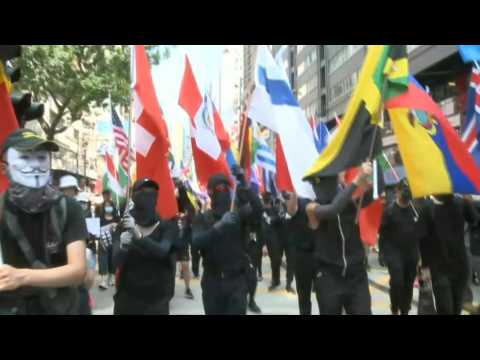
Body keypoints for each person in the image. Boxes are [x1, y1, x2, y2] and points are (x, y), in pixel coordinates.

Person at [0, 129, 87, 315]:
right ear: (3, 168)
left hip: (61, 308)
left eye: (41, 158)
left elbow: (78, 270)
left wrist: (22, 276)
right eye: (24, 158)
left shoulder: (68, 207)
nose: (35, 165)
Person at [301, 161, 374, 315]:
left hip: (356, 274)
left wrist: (368, 182)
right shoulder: (311, 208)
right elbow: (333, 209)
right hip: (329, 277)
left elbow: (368, 199)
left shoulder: (350, 200)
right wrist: (355, 182)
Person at [191, 173, 262, 315]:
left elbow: (258, 210)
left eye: (226, 188)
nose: (223, 192)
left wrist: (246, 186)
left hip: (236, 281)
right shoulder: (203, 218)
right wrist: (219, 227)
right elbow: (196, 242)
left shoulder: (239, 216)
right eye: (219, 188)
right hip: (213, 282)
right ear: (210, 192)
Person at [113, 178, 179, 315]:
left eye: (152, 192)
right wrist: (123, 247)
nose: (148, 195)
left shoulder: (166, 226)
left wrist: (137, 234)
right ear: (134, 196)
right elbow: (115, 261)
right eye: (143, 191)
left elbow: (162, 251)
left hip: (156, 301)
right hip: (127, 299)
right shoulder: (123, 226)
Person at [419, 194, 478, 315]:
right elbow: (421, 240)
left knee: (456, 308)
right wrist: (424, 270)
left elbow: (474, 220)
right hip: (438, 269)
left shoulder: (460, 203)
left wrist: (469, 204)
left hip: (460, 266)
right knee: (445, 308)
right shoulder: (427, 208)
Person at [378, 180, 427, 315]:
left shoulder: (416, 210)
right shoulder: (389, 211)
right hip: (394, 252)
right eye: (403, 190)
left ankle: (405, 309)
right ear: (397, 191)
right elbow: (382, 233)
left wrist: (423, 257)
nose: (406, 193)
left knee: (408, 283)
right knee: (397, 281)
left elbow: (422, 233)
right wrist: (382, 253)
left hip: (411, 252)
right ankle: (395, 308)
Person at [285, 192, 317, 315]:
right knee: (304, 297)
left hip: (321, 253)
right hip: (302, 256)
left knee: (326, 297)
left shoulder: (323, 195)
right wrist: (294, 192)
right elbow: (291, 211)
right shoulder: (298, 199)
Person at [262, 192, 295, 293]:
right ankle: (275, 281)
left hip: (290, 236)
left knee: (291, 262)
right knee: (275, 260)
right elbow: (268, 222)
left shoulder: (289, 205)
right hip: (276, 238)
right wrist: (264, 244)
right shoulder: (270, 208)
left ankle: (289, 284)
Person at [174, 178, 195, 300]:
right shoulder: (166, 197)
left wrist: (185, 216)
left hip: (183, 239)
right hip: (170, 238)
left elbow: (193, 212)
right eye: (176, 186)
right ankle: (168, 289)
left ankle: (188, 288)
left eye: (178, 186)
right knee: (170, 267)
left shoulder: (186, 198)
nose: (177, 188)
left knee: (185, 265)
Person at [95, 190, 119, 290]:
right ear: (103, 196)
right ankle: (103, 280)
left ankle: (112, 277)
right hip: (102, 233)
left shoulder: (116, 207)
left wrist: (115, 225)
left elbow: (119, 220)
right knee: (103, 256)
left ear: (110, 196)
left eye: (108, 195)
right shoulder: (98, 207)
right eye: (105, 195)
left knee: (113, 255)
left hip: (114, 234)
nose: (106, 196)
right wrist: (96, 235)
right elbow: (95, 221)